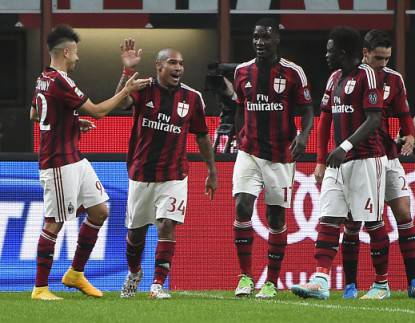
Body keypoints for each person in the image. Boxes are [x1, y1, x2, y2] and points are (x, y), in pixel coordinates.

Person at [30, 25, 150, 300]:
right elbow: (99, 111)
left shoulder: (42, 79)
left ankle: (75, 273)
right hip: (59, 162)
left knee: (100, 211)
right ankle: (40, 288)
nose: (78, 58)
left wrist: (71, 122)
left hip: (74, 157)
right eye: (77, 53)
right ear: (67, 51)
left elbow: (34, 113)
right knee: (54, 222)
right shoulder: (61, 81)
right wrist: (127, 88)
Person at [115, 39, 217, 299]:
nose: (179, 68)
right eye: (172, 62)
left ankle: (157, 284)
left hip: (174, 174)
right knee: (135, 236)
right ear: (158, 65)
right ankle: (134, 272)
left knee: (166, 225)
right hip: (141, 173)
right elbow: (121, 103)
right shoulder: (143, 88)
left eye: (181, 63)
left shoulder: (192, 98)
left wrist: (212, 170)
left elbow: (202, 136)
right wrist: (127, 72)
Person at [291, 26, 387, 300]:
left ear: (344, 52)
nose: (326, 54)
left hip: (366, 160)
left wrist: (344, 146)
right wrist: (321, 159)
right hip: (337, 162)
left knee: (372, 222)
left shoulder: (367, 75)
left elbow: (374, 119)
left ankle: (381, 285)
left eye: (330, 50)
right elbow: (324, 118)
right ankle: (321, 281)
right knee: (329, 218)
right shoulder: (334, 78)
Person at [340, 29, 415, 299]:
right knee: (356, 221)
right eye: (378, 58)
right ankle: (351, 285)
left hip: (388, 156)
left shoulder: (394, 79)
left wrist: (411, 136)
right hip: (360, 159)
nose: (383, 64)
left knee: (403, 214)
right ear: (365, 53)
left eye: (387, 58)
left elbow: (404, 112)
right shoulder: (350, 78)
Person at [232, 17, 314, 298]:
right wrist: (234, 136)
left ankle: (271, 282)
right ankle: (245, 277)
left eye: (265, 37)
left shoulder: (293, 72)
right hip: (248, 152)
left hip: (281, 155)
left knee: (275, 217)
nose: (259, 42)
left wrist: (303, 136)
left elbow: (307, 109)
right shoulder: (242, 71)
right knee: (242, 206)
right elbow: (238, 108)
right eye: (256, 37)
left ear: (277, 39)